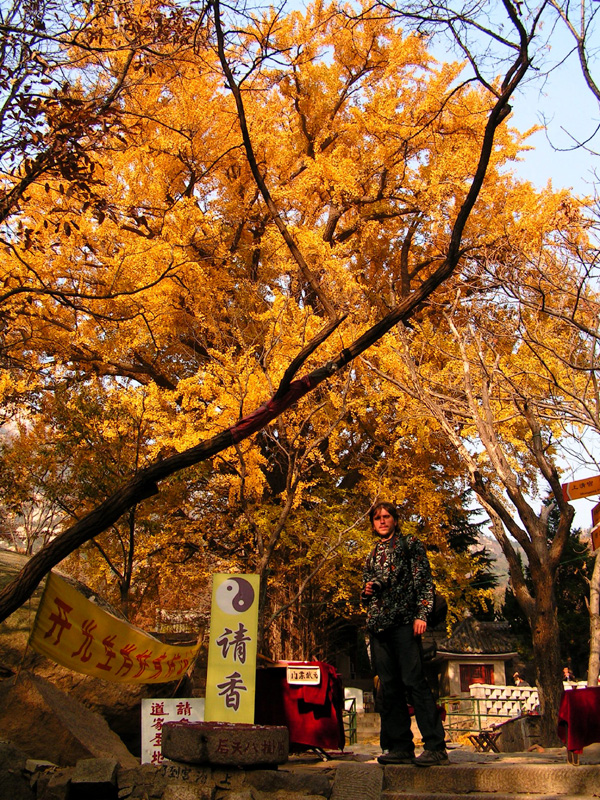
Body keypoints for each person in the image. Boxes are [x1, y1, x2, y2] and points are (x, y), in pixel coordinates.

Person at [361, 501, 447, 767]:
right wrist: (364, 593)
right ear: (373, 524)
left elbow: (423, 581)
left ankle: (435, 746)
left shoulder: (410, 544)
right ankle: (400, 746)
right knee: (389, 687)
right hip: (378, 626)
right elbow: (364, 593)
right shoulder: (372, 553)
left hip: (405, 623)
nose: (382, 521)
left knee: (414, 682)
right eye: (377, 518)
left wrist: (422, 614)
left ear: (395, 520)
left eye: (386, 517)